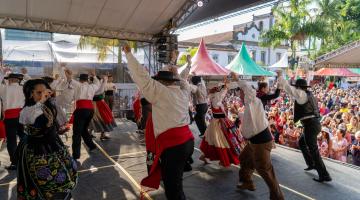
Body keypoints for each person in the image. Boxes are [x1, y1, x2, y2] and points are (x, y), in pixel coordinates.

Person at [124, 44, 194, 200]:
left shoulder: (161, 92)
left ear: (161, 82)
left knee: (173, 189)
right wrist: (178, 64)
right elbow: (183, 79)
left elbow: (142, 77)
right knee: (176, 181)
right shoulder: (183, 91)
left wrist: (129, 55)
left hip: (174, 146)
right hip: (187, 142)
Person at [16, 79, 78, 200]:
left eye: (45, 92)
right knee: (42, 181)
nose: (43, 95)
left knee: (63, 177)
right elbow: (30, 118)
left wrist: (58, 130)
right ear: (30, 94)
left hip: (53, 145)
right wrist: (43, 100)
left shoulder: (49, 105)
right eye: (39, 92)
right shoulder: (27, 110)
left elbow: (65, 100)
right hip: (35, 151)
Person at [232, 73, 284, 200]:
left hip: (261, 141)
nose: (240, 94)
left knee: (265, 170)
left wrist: (237, 78)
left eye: (242, 92)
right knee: (244, 158)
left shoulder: (253, 100)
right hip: (254, 141)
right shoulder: (251, 105)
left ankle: (278, 197)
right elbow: (249, 120)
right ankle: (247, 181)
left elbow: (247, 89)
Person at [278, 72, 332, 182]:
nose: (295, 89)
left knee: (313, 150)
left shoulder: (301, 94)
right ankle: (311, 164)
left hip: (311, 124)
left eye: (296, 87)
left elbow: (288, 88)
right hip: (313, 124)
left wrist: (280, 76)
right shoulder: (308, 94)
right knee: (302, 143)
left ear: (298, 88)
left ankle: (324, 175)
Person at [199, 80, 244, 167]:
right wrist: (226, 87)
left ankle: (209, 157)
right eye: (219, 88)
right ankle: (223, 160)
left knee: (217, 142)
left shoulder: (214, 98)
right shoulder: (215, 99)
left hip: (220, 123)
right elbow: (220, 96)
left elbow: (220, 96)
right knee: (222, 142)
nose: (220, 89)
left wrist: (225, 86)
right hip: (219, 124)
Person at [65, 70, 100, 160]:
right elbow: (98, 84)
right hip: (90, 110)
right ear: (87, 80)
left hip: (81, 109)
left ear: (80, 80)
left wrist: (69, 74)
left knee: (77, 132)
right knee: (84, 129)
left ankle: (76, 155)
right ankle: (91, 146)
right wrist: (95, 76)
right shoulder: (92, 86)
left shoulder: (78, 85)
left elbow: (70, 80)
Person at [0, 73, 25, 170]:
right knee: (23, 137)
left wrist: (1, 73)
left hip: (10, 117)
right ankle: (24, 158)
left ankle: (14, 162)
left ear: (10, 80)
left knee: (11, 140)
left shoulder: (5, 89)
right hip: (21, 115)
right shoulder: (23, 89)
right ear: (18, 80)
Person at [89, 76, 116, 140]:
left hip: (94, 103)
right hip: (99, 104)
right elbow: (101, 90)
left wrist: (104, 81)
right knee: (103, 118)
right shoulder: (96, 86)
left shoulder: (91, 86)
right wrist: (104, 80)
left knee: (93, 118)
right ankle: (102, 134)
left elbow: (102, 90)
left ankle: (90, 133)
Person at [190, 73, 208, 137]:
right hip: (205, 104)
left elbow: (193, 91)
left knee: (199, 119)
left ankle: (205, 133)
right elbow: (201, 79)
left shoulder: (196, 87)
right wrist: (195, 74)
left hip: (200, 105)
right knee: (200, 119)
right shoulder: (203, 84)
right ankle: (204, 132)